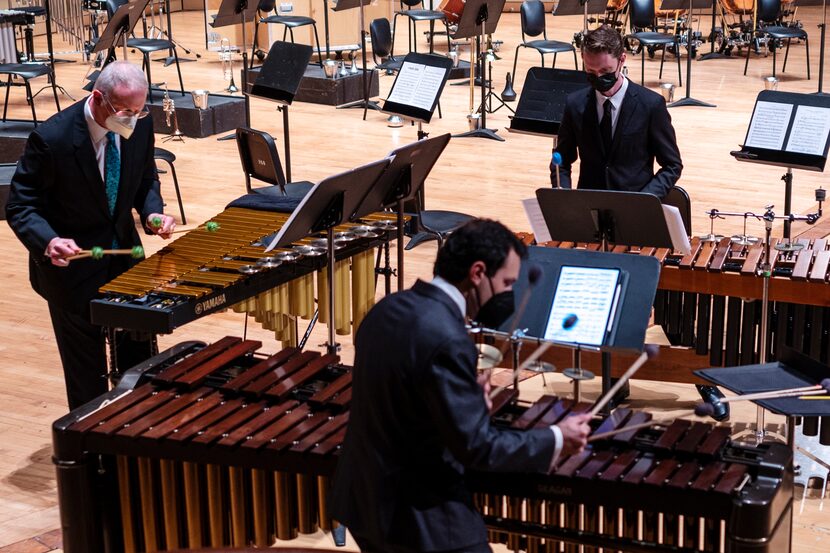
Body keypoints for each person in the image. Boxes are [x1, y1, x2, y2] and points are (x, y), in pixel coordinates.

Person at [331, 219, 593, 553]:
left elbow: (405, 402)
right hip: (420, 519)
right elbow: (477, 448)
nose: (510, 294)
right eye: (508, 282)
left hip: (362, 502)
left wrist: (466, 403)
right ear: (478, 273)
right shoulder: (448, 339)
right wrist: (557, 438)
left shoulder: (386, 309)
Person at [5, 61, 176, 410]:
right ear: (98, 98)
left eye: (139, 111)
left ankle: (137, 436)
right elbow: (21, 205)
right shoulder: (51, 140)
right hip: (72, 271)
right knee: (88, 378)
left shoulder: (138, 127)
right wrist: (48, 240)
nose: (131, 118)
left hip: (126, 260)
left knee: (139, 364)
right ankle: (92, 454)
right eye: (125, 110)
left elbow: (145, 180)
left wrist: (152, 211)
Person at [551, 25, 682, 199]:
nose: (598, 77)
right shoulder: (575, 104)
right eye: (590, 71)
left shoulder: (651, 105)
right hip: (589, 205)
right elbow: (561, 159)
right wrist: (563, 193)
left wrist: (646, 200)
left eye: (605, 71)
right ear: (583, 58)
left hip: (634, 208)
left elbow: (672, 165)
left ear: (622, 60)